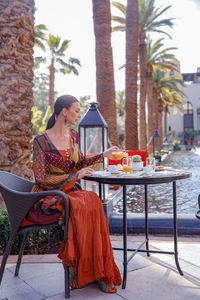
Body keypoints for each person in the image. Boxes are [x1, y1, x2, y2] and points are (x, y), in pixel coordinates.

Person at [22, 95, 122, 293]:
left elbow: (79, 162)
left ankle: (97, 270)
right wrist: (74, 176)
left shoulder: (74, 136)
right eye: (76, 110)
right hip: (48, 195)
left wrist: (103, 155)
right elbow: (41, 179)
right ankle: (79, 268)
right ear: (64, 112)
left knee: (92, 200)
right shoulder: (41, 141)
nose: (79, 114)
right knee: (79, 204)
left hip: (70, 190)